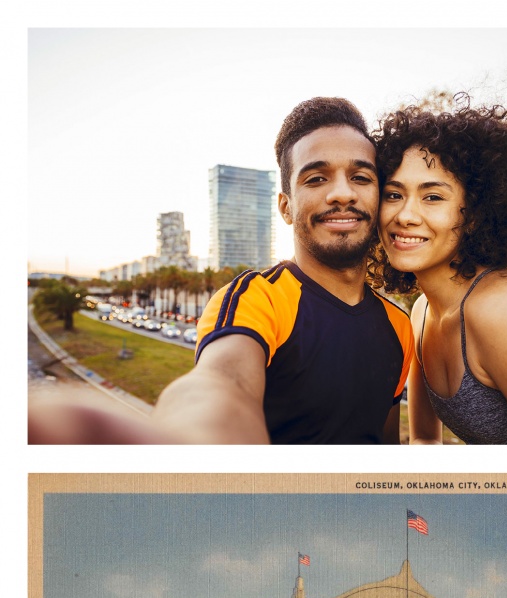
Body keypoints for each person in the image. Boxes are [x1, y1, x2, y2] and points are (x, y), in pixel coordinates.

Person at [28, 97, 414, 445]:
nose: (342, 193)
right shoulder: (254, 299)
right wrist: (192, 445)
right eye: (316, 178)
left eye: (361, 177)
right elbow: (221, 383)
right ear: (285, 207)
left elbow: (382, 443)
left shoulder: (400, 325)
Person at [367, 98, 507, 445]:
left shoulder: (505, 309)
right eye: (393, 194)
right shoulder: (422, 313)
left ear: (474, 213)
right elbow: (425, 443)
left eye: (432, 197)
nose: (405, 215)